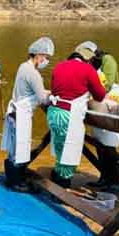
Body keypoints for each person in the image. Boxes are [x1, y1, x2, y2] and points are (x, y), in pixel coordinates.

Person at [46, 43, 107, 189]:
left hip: (54, 112)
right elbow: (100, 96)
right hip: (69, 115)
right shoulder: (88, 69)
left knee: (61, 147)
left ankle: (57, 175)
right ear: (88, 58)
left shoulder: (59, 66)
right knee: (70, 150)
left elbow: (55, 90)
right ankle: (62, 185)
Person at [1, 37, 54, 192]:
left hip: (15, 111)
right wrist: (53, 97)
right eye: (46, 57)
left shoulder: (22, 67)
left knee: (14, 148)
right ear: (38, 55)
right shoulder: (33, 73)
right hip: (21, 114)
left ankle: (12, 179)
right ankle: (17, 182)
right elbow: (42, 98)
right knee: (21, 148)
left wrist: (45, 92)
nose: (46, 61)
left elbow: (31, 91)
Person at [79, 41, 119, 195]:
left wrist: (92, 92)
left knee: (109, 142)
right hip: (97, 102)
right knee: (99, 142)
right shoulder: (89, 63)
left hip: (110, 101)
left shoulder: (108, 60)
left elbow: (108, 84)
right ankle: (104, 178)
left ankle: (116, 183)